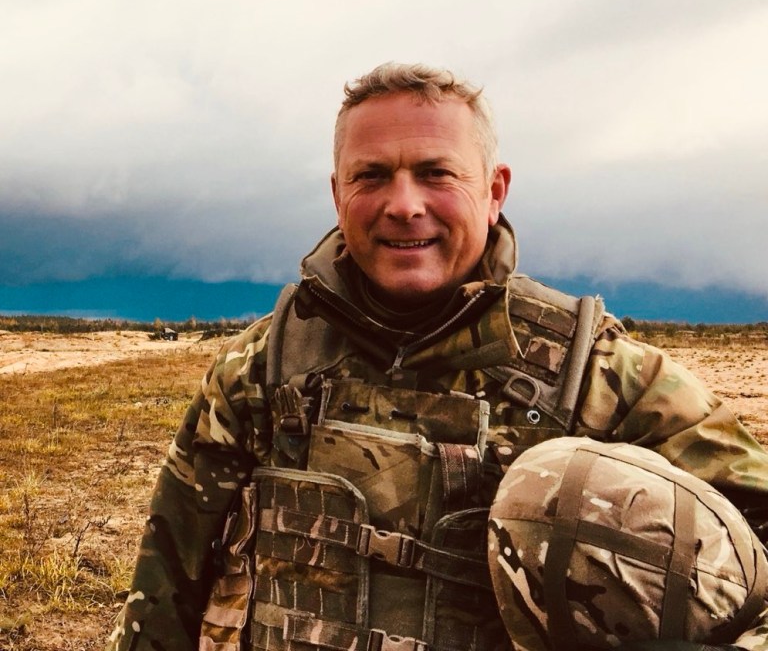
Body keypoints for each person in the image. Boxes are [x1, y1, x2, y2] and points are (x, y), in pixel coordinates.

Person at [107, 62, 768, 651]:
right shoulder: (264, 366)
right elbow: (165, 581)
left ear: (495, 189)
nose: (403, 205)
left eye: (435, 173)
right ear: (338, 192)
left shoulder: (598, 375)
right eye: (372, 176)